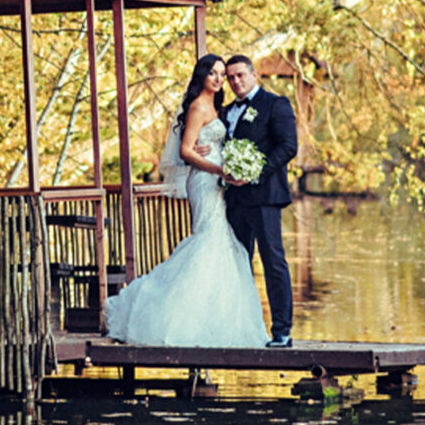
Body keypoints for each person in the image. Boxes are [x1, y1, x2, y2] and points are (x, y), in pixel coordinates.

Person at [103, 54, 267, 347]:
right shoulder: (197, 107)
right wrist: (219, 168)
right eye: (213, 73)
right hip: (205, 181)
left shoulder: (218, 107)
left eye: (221, 74)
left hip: (219, 181)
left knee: (220, 242)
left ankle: (212, 319)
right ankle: (165, 310)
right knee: (209, 238)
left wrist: (232, 164)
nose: (219, 79)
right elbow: (186, 151)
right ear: (202, 75)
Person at [220, 54, 297, 347]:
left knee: (273, 261)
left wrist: (253, 172)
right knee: (237, 263)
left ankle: (282, 331)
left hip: (265, 196)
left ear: (254, 75)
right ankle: (238, 328)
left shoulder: (275, 105)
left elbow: (288, 147)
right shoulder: (226, 111)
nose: (236, 81)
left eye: (240, 75)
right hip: (234, 199)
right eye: (231, 77)